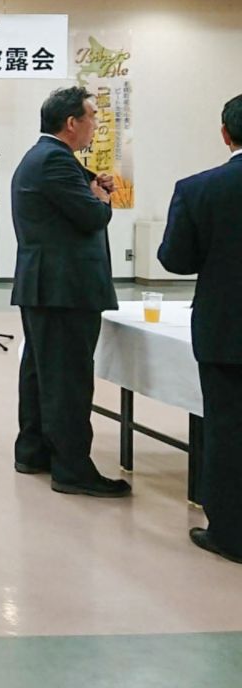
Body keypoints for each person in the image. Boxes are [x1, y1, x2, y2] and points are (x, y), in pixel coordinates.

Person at [10, 85, 129, 498]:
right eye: (92, 116)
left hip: (47, 284)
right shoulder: (54, 162)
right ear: (72, 123)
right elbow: (90, 216)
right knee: (68, 379)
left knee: (42, 372)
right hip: (64, 287)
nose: (96, 124)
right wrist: (101, 198)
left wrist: (93, 184)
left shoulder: (46, 158)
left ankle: (34, 449)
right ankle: (73, 469)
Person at [157, 94, 242, 563]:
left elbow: (175, 259)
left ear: (225, 134)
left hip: (226, 329)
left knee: (227, 429)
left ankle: (230, 532)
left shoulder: (199, 189)